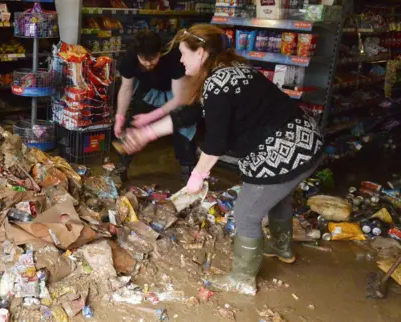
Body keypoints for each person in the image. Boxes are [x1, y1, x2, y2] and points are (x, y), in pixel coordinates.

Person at [119, 24, 324, 295]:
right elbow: (189, 115)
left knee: (246, 214)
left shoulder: (217, 83)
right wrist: (147, 133)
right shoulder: (232, 71)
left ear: (201, 53)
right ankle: (282, 248)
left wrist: (197, 177)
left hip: (284, 149)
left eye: (183, 53)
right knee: (278, 198)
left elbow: (215, 144)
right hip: (307, 142)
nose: (180, 60)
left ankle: (242, 278)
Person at [114, 30, 198, 182]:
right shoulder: (130, 57)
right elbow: (126, 88)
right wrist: (119, 116)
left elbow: (179, 98)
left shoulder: (173, 56)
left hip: (179, 94)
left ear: (160, 52)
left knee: (184, 133)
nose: (147, 63)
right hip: (152, 92)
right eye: (143, 59)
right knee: (131, 128)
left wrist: (151, 117)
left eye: (152, 58)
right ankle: (121, 169)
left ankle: (190, 178)